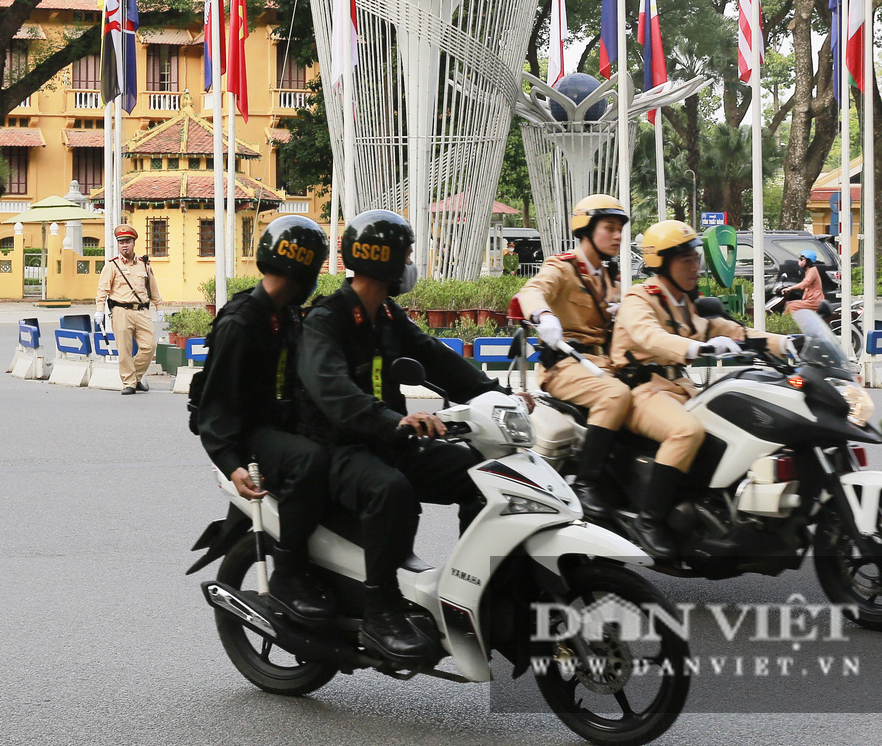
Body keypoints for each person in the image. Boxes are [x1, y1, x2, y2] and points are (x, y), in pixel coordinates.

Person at [297, 209, 511, 666]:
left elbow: (437, 358)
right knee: (390, 490)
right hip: (339, 448)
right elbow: (332, 390)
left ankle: (479, 590)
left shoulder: (388, 315)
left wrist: (503, 397)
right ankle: (380, 608)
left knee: (484, 474)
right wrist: (393, 420)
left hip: (388, 441)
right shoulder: (326, 319)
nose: (413, 263)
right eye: (409, 254)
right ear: (385, 261)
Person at [195, 215, 338, 625]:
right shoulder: (242, 322)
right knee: (308, 460)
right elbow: (215, 405)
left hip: (281, 425)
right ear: (304, 270)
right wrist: (231, 462)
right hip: (249, 437)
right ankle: (289, 576)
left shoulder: (287, 313)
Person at [608, 220, 780, 560]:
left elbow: (734, 331)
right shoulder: (638, 299)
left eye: (695, 257)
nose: (694, 266)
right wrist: (698, 348)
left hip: (677, 388)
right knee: (685, 431)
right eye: (685, 259)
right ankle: (649, 520)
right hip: (640, 390)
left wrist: (786, 343)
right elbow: (650, 338)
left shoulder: (687, 303)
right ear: (662, 262)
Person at [515, 194, 634, 517]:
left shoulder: (611, 276)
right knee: (615, 396)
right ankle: (586, 484)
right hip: (567, 366)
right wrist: (544, 316)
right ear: (586, 230)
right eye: (609, 228)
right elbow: (531, 291)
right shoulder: (563, 267)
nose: (618, 236)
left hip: (604, 365)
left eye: (620, 229)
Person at [96, 224, 159, 394]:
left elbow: (152, 287)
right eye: (121, 242)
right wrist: (99, 310)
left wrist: (159, 306)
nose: (124, 245)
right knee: (124, 350)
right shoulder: (112, 265)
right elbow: (103, 289)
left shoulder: (144, 264)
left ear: (134, 243)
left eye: (128, 241)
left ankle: (136, 377)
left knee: (150, 346)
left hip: (142, 311)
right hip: (120, 311)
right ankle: (129, 383)